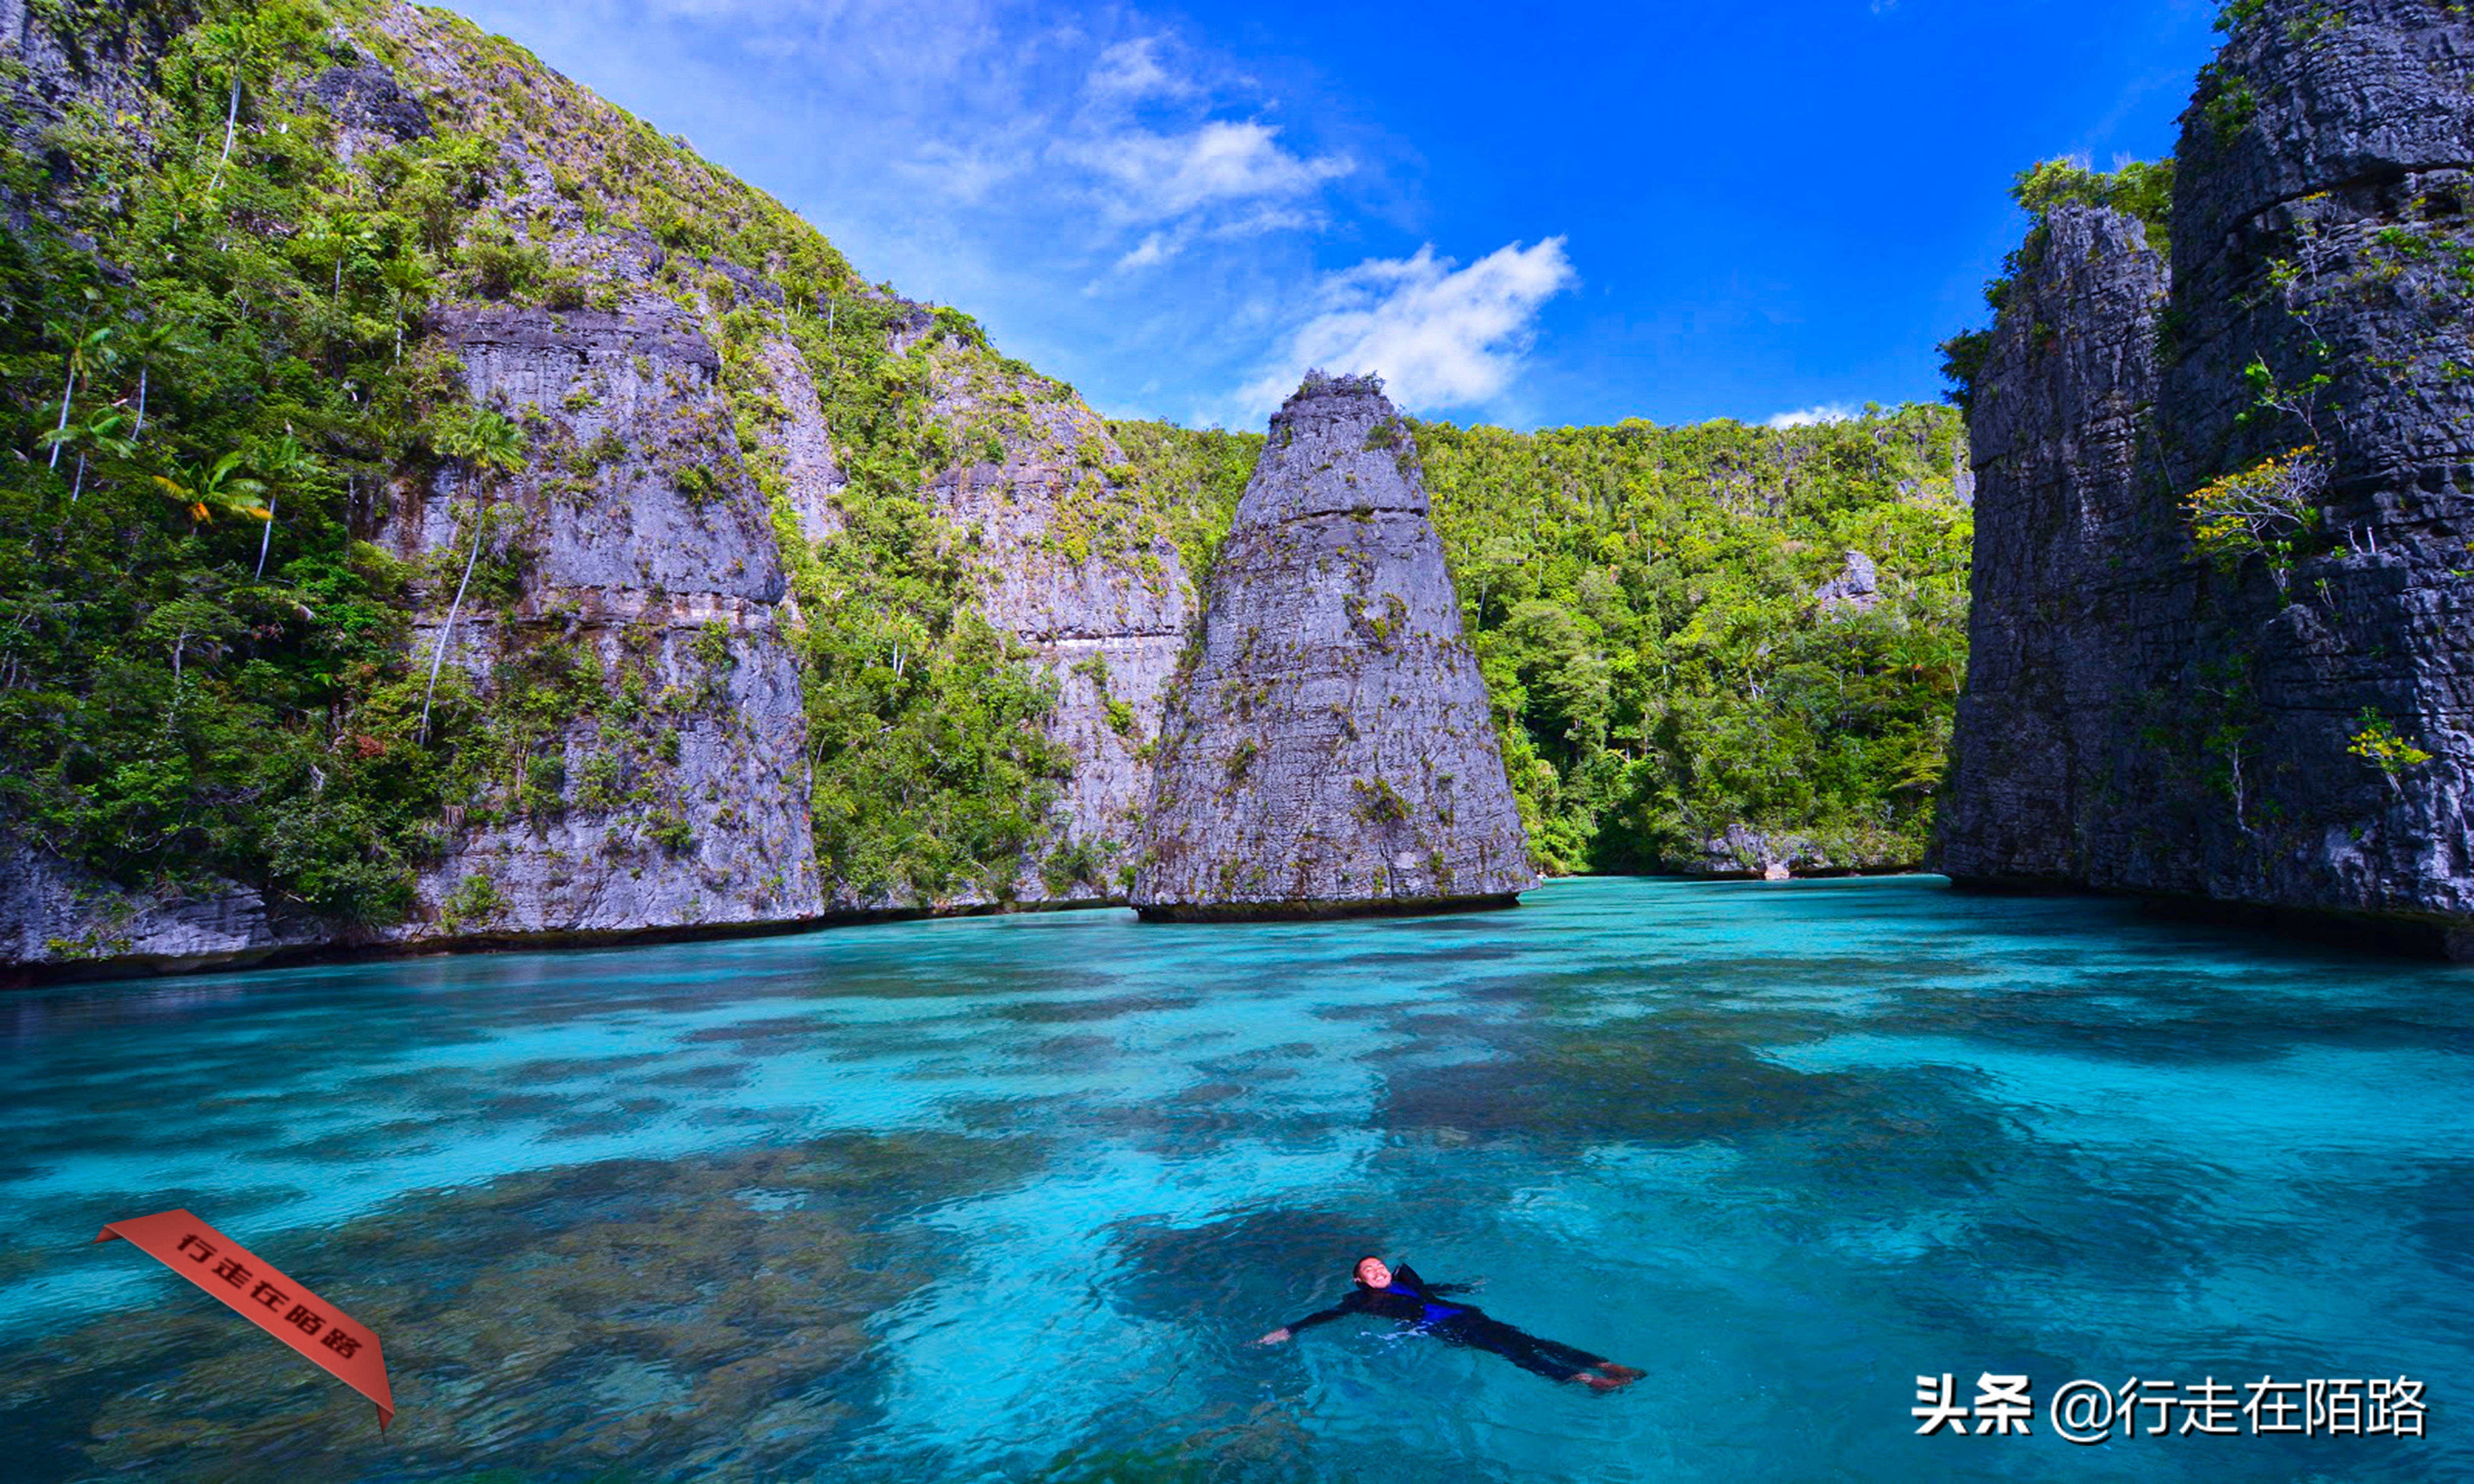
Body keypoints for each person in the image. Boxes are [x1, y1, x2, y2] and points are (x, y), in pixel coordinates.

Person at [1255, 1255, 1644, 1391]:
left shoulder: (1408, 1284)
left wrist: (1467, 1287)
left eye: (1378, 1266)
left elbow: (1433, 1290)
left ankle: (1604, 1364)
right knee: (1515, 1353)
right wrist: (1289, 1330)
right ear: (1360, 1281)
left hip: (1465, 1316)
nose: (1376, 1271)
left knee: (1533, 1340)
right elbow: (1327, 1315)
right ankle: (1588, 1382)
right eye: (1368, 1270)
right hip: (1448, 1329)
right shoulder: (1358, 1300)